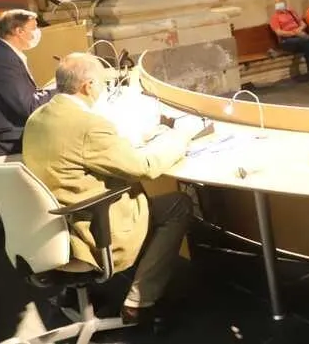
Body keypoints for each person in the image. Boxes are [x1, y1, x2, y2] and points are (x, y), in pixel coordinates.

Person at [23, 54, 193, 326]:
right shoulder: (89, 126)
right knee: (178, 205)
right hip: (90, 232)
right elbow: (145, 167)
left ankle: (78, 294)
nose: (104, 89)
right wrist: (180, 139)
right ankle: (139, 301)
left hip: (49, 229)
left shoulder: (37, 118)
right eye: (102, 83)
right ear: (88, 86)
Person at [0, 9, 55, 155]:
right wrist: (63, 87)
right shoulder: (2, 58)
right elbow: (29, 106)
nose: (38, 32)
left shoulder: (4, 52)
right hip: (6, 143)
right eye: (34, 28)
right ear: (19, 31)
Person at [269, 0, 309, 85]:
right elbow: (279, 32)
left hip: (300, 39)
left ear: (285, 2)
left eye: (281, 1)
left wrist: (299, 30)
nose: (279, 4)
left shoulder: (291, 12)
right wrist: (294, 33)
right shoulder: (275, 17)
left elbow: (303, 24)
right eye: (277, 2)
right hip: (286, 41)